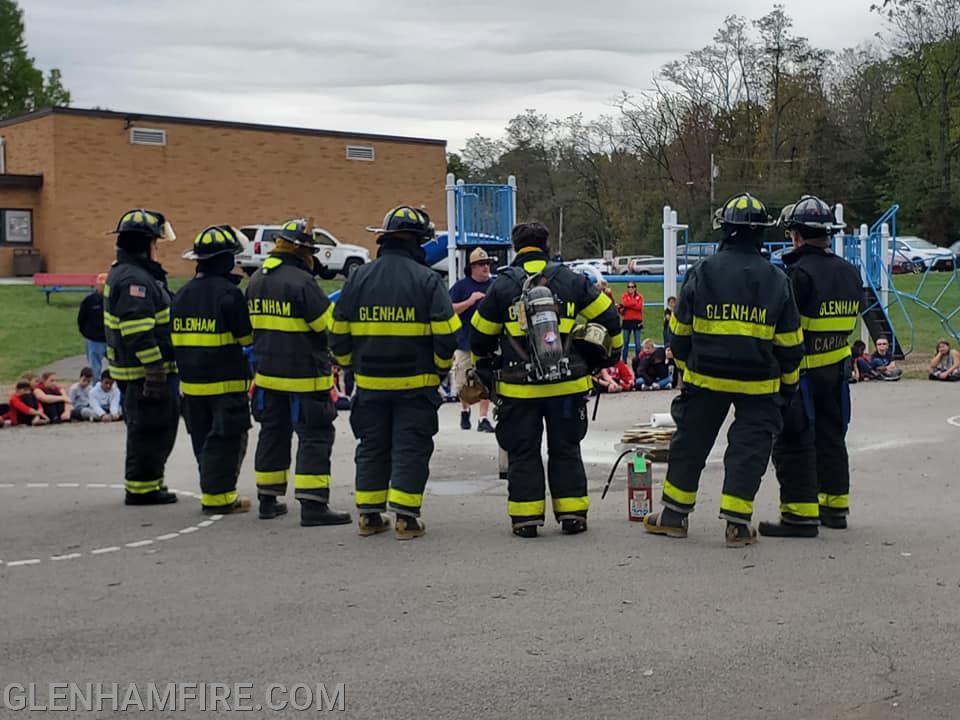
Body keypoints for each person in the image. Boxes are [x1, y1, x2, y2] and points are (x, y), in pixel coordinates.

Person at [643, 193, 804, 546]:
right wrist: (787, 388)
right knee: (749, 450)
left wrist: (686, 370)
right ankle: (737, 524)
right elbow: (791, 345)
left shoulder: (703, 272)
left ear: (725, 229)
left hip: (705, 379)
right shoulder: (778, 279)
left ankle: (673, 516)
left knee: (690, 445)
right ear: (760, 233)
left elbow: (680, 333)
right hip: (760, 385)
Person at [470, 222, 622, 538]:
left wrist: (487, 369)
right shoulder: (571, 280)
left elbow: (478, 338)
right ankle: (573, 515)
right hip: (567, 388)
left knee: (523, 451)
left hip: (518, 389)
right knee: (566, 448)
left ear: (516, 247)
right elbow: (610, 319)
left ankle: (526, 520)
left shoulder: (502, 286)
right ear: (546, 244)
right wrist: (605, 359)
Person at [331, 206, 460, 539]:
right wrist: (439, 372)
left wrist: (348, 366)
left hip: (369, 384)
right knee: (410, 446)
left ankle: (370, 517)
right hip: (416, 384)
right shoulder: (428, 280)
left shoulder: (358, 277)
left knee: (372, 446)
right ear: (416, 242)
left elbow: (338, 330)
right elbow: (447, 336)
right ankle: (406, 518)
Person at [760, 195, 864, 538]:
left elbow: (784, 327)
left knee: (793, 442)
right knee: (832, 438)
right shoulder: (851, 274)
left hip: (800, 375)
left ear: (797, 236)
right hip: (836, 373)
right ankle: (835, 509)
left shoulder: (796, 274)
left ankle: (798, 515)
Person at [247, 218, 350, 527]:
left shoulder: (255, 280)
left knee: (272, 434)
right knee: (315, 435)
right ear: (302, 250)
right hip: (305, 375)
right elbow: (327, 327)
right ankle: (314, 504)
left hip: (266, 375)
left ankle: (268, 499)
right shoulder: (302, 283)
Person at [172, 225, 254, 515]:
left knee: (203, 440)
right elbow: (247, 338)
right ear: (225, 260)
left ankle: (213, 490)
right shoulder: (229, 295)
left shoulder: (181, 295)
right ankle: (219, 498)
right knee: (226, 442)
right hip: (226, 385)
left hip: (192, 386)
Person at [104, 208, 180, 505]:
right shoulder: (135, 280)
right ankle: (141, 489)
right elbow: (137, 330)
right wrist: (154, 370)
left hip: (137, 373)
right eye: (155, 242)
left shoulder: (131, 273)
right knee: (149, 430)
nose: (157, 248)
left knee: (155, 430)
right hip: (141, 375)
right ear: (146, 243)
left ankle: (150, 483)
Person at [449, 247, 496, 432]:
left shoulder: (494, 286)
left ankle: (483, 419)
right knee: (463, 382)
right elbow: (449, 309)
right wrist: (469, 301)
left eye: (487, 264)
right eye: (481, 264)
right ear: (472, 268)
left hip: (487, 342)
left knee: (486, 379)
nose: (485, 267)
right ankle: (465, 410)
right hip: (464, 341)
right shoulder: (461, 286)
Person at [77, 273, 108, 380]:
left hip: (111, 339)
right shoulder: (89, 301)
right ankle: (96, 390)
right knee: (95, 369)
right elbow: (81, 319)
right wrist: (87, 333)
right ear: (96, 285)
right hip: (94, 340)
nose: (103, 288)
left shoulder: (114, 300)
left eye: (105, 285)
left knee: (116, 366)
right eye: (101, 285)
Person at [620, 282, 644, 360]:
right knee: (625, 342)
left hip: (637, 321)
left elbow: (639, 307)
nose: (630, 288)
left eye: (632, 287)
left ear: (635, 288)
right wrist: (634, 303)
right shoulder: (624, 295)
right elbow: (624, 303)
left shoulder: (640, 296)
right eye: (629, 287)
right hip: (627, 321)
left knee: (637, 343)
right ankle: (624, 360)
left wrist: (629, 303)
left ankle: (638, 360)